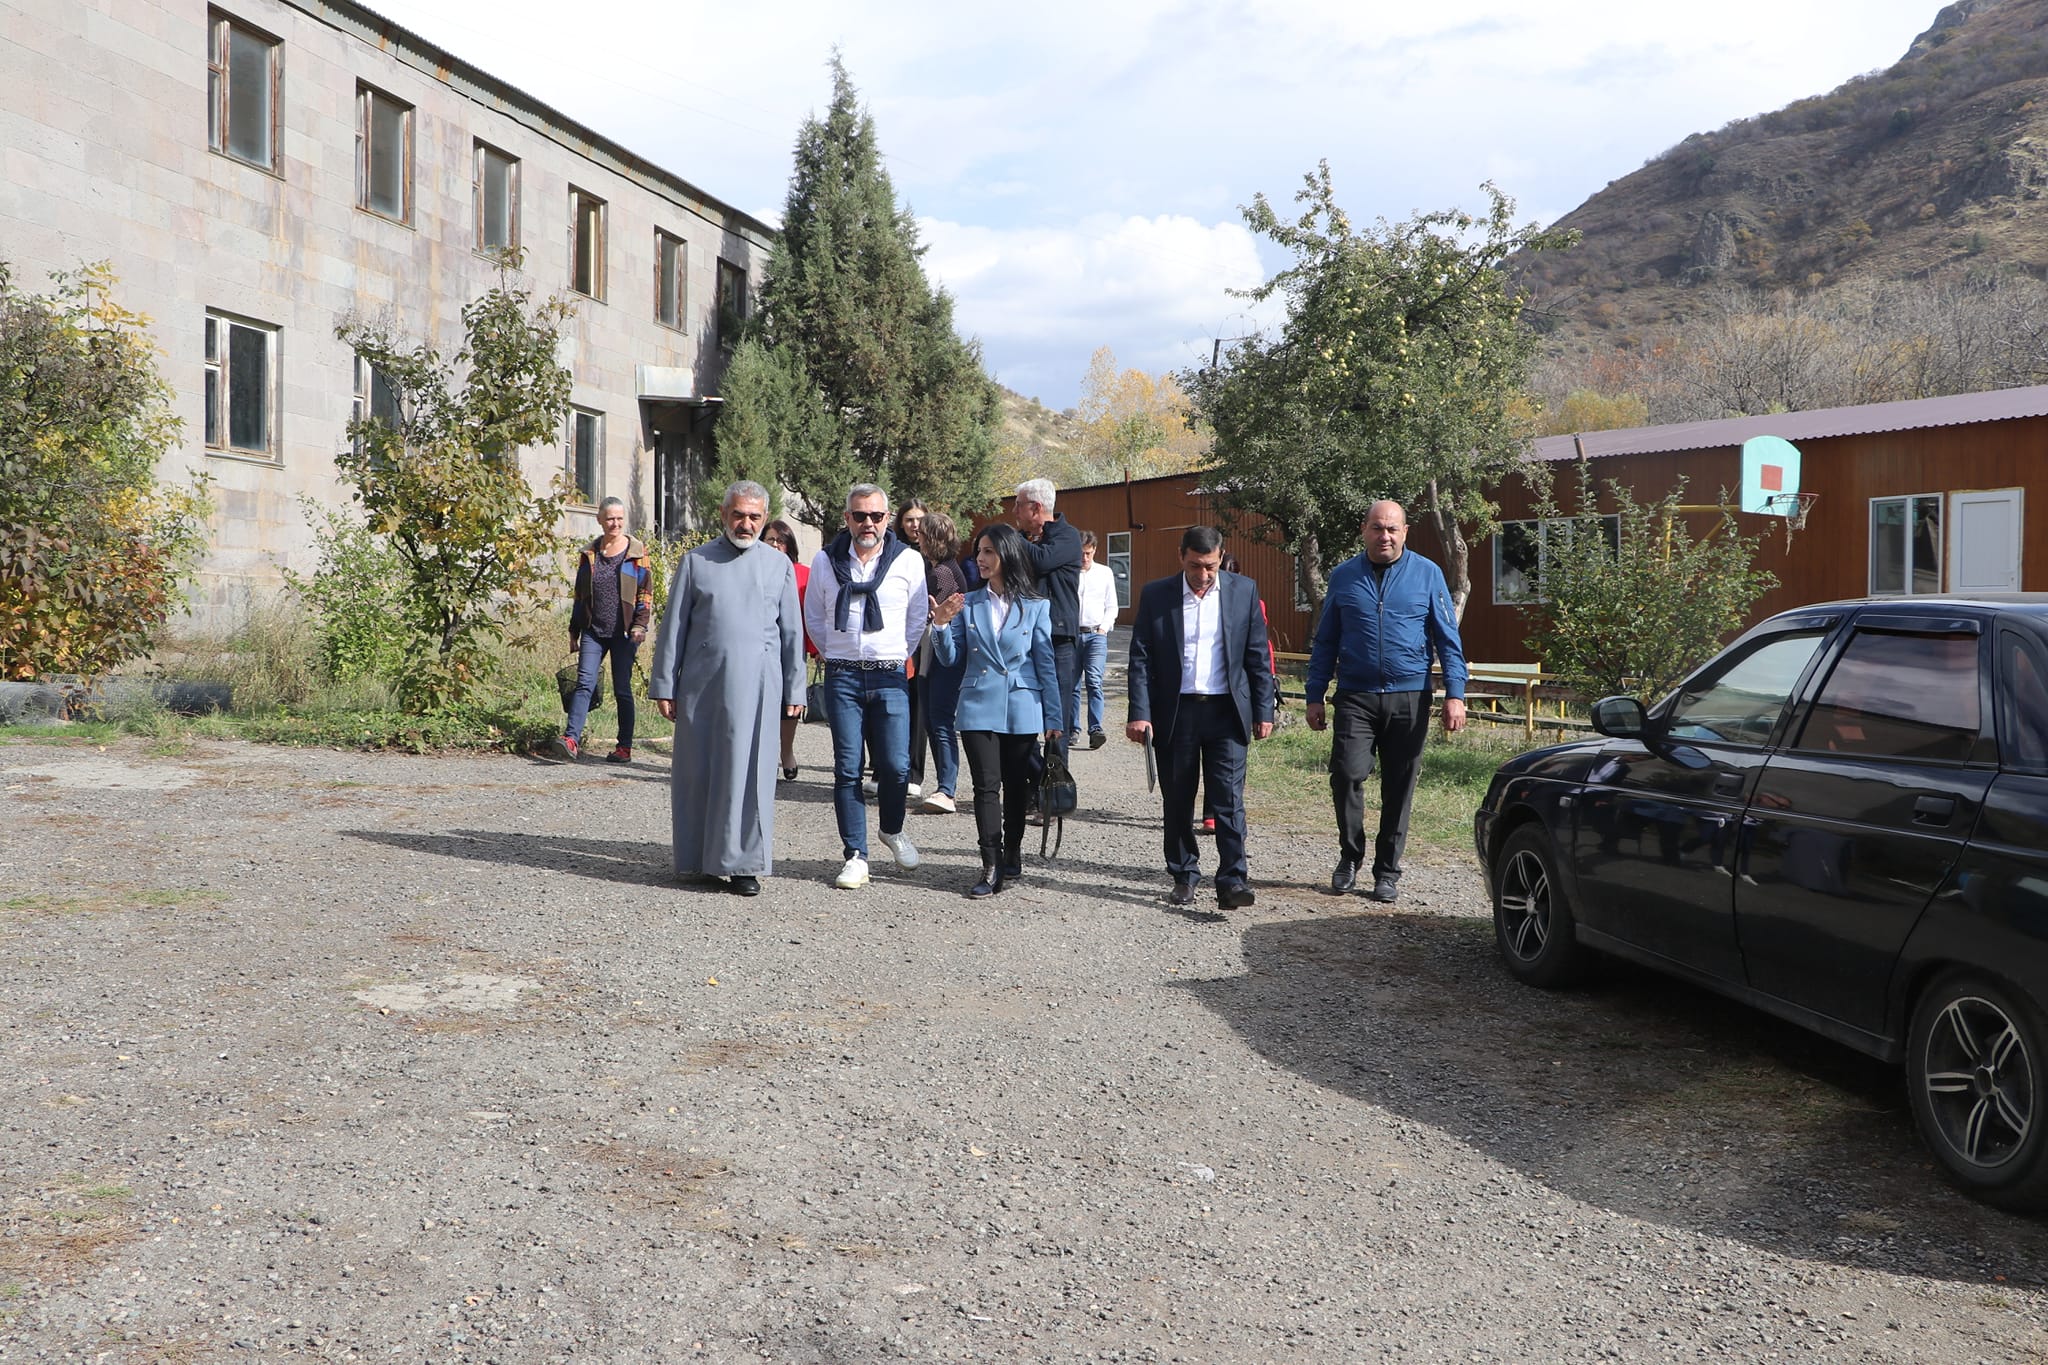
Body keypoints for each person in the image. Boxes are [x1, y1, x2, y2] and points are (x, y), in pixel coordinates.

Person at [1305, 498, 1468, 903]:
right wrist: (1314, 695)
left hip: (1409, 696)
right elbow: (1325, 640)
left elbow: (1448, 640)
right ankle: (1350, 856)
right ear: (1364, 530)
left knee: (1400, 786)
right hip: (1356, 696)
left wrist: (1456, 694)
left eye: (1393, 529)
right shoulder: (1344, 576)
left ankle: (1387, 871)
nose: (1385, 536)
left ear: (1405, 532)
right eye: (1377, 528)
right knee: (1347, 774)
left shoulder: (1428, 574)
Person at [646, 481, 805, 897]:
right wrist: (665, 683)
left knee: (749, 776)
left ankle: (744, 865)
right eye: (738, 515)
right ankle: (699, 859)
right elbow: (674, 628)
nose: (745, 524)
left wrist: (795, 689)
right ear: (723, 514)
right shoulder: (696, 562)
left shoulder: (779, 565)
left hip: (759, 689)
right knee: (699, 773)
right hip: (703, 687)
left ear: (765, 518)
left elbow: (791, 633)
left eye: (754, 516)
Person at [1126, 526, 1276, 910]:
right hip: (1177, 712)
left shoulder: (1243, 591)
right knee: (1178, 798)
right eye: (1195, 566)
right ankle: (1184, 875)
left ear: (1221, 557)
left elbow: (1257, 656)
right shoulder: (1157, 595)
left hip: (1227, 711)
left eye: (1211, 566)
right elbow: (1141, 658)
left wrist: (1264, 710)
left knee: (1228, 799)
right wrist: (1140, 713)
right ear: (1181, 556)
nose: (1203, 575)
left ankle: (1233, 880)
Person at [805, 484, 929, 891]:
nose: (868, 523)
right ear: (847, 519)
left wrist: (892, 654)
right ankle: (856, 855)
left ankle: (891, 829)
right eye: (860, 516)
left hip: (889, 674)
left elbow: (916, 619)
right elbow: (815, 617)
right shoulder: (826, 561)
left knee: (896, 766)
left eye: (876, 516)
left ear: (887, 519)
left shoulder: (908, 560)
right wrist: (838, 654)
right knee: (847, 768)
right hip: (842, 675)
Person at [930, 524, 1060, 897]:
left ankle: (1012, 849)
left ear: (1008, 554)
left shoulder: (1036, 606)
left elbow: (1045, 664)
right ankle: (991, 864)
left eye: (988, 551)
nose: (980, 559)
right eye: (978, 551)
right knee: (986, 786)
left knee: (1017, 786)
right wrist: (940, 625)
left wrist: (1054, 717)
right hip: (977, 703)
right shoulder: (967, 602)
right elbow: (950, 658)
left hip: (1022, 704)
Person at [559, 496, 653, 763]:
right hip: (594, 630)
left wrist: (640, 625)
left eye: (620, 518)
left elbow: (645, 593)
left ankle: (624, 747)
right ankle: (571, 740)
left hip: (624, 633)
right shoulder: (589, 553)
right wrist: (574, 631)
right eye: (610, 518)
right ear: (599, 520)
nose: (615, 523)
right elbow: (580, 595)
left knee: (622, 688)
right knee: (584, 683)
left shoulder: (636, 552)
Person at [1199, 551, 1278, 834]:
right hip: (1208, 689)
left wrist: (1265, 692)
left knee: (1228, 763)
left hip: (1240, 688)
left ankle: (1222, 812)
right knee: (1210, 756)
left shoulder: (1250, 600)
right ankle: (1210, 812)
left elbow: (1260, 649)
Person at [1014, 479, 1083, 767]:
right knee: (1022, 711)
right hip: (1024, 636)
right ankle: (1032, 778)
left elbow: (1042, 561)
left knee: (1057, 720)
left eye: (1018, 505)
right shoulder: (1026, 539)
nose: (1014, 512)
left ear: (1036, 507)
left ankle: (1055, 785)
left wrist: (1011, 540)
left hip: (1058, 640)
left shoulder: (1068, 536)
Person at [915, 510, 968, 816]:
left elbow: (934, 616)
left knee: (940, 720)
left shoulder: (942, 574)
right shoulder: (941, 569)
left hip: (943, 654)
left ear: (933, 539)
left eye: (922, 534)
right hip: (934, 653)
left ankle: (947, 788)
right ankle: (944, 786)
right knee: (934, 721)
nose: (917, 538)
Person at [762, 519, 813, 782]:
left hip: (792, 646)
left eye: (780, 540)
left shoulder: (802, 573)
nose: (775, 544)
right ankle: (767, 756)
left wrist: (815, 646)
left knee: (789, 703)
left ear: (789, 545)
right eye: (770, 539)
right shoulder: (753, 569)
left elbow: (812, 612)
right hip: (762, 647)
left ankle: (787, 751)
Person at [1073, 530, 1119, 750]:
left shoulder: (1104, 573)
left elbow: (1112, 605)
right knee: (1072, 684)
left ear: (1094, 551)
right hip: (1073, 634)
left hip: (1095, 634)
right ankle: (1073, 728)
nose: (1084, 558)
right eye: (1081, 553)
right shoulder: (1069, 572)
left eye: (1088, 553)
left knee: (1094, 680)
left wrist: (1103, 628)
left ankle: (1095, 729)